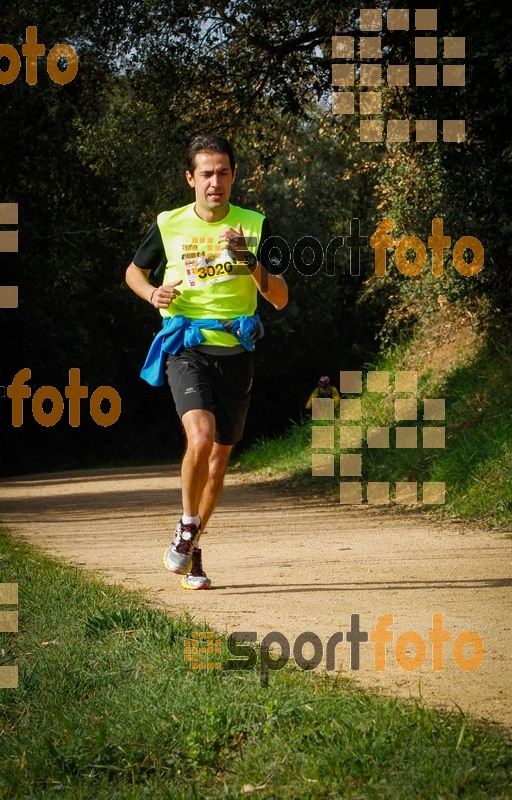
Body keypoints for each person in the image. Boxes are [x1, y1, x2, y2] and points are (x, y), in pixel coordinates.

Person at [125, 133, 288, 589]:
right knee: (200, 437)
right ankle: (184, 527)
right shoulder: (169, 224)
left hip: (235, 352)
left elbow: (279, 297)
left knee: (218, 463)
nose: (214, 181)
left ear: (234, 176)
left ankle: (191, 547)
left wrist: (250, 261)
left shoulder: (256, 225)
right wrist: (150, 292)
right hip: (185, 344)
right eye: (206, 173)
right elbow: (134, 271)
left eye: (222, 172)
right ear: (190, 178)